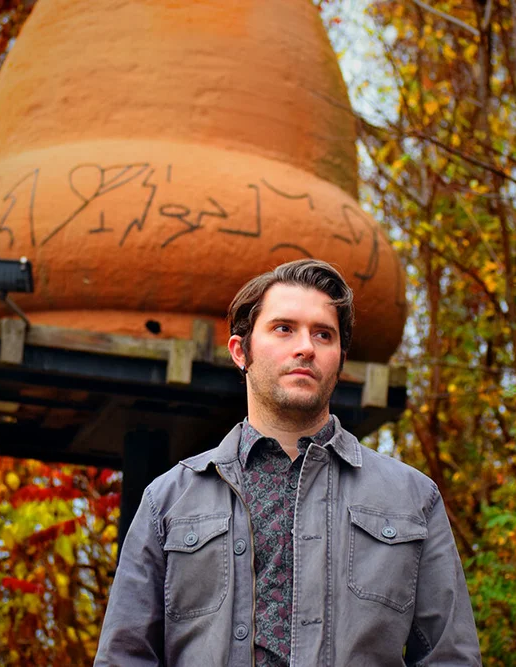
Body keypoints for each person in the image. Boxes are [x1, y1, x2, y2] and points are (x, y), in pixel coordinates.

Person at [94, 259, 481, 666]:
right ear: (240, 351)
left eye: (323, 334)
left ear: (339, 359)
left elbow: (449, 656)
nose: (306, 347)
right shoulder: (168, 500)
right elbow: (124, 657)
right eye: (284, 328)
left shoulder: (413, 499)